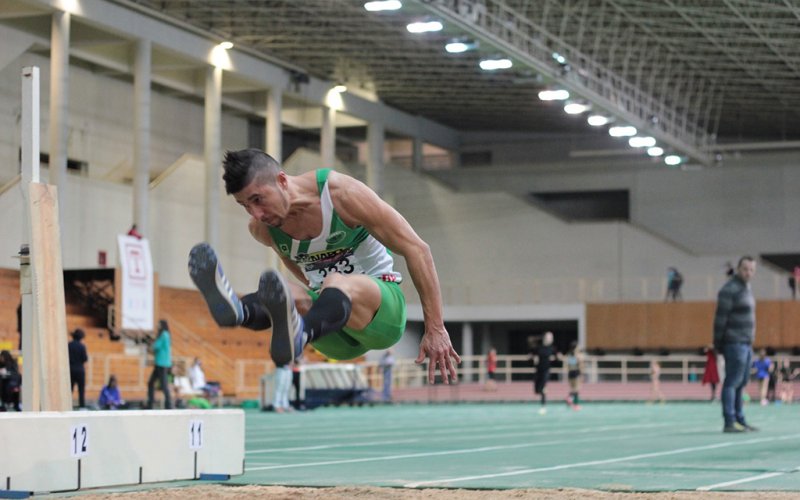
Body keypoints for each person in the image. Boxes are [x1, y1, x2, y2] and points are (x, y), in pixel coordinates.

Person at [187, 149, 459, 384]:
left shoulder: (341, 195)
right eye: (244, 205)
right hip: (331, 329)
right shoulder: (263, 229)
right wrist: (319, 300)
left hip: (382, 315)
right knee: (288, 293)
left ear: (282, 180)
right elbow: (301, 271)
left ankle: (300, 330)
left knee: (335, 282)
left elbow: (418, 249)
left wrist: (435, 327)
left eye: (258, 199)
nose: (255, 214)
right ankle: (239, 311)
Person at [714, 255, 758, 433]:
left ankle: (740, 419)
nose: (748, 273)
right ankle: (729, 421)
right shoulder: (729, 290)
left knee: (742, 382)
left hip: (746, 343)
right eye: (745, 269)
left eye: (751, 270)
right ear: (738, 269)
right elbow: (720, 319)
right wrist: (718, 343)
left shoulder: (746, 288)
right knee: (732, 382)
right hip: (733, 342)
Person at [146, 319, 172, 409]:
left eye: (159, 325)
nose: (157, 326)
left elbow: (156, 346)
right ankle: (151, 402)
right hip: (160, 363)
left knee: (163, 385)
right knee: (151, 383)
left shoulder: (164, 334)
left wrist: (150, 342)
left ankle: (169, 405)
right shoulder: (165, 335)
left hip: (162, 364)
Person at [530, 332, 557, 415]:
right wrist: (533, 358)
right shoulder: (538, 347)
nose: (551, 339)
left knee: (544, 387)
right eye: (549, 337)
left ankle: (543, 406)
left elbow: (557, 357)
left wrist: (555, 358)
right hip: (538, 370)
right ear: (545, 337)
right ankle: (542, 399)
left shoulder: (552, 348)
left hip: (546, 370)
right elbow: (531, 354)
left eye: (551, 337)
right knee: (537, 390)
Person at [68, 328, 89, 409]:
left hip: (70, 369)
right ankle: (82, 406)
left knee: (70, 389)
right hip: (80, 370)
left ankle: (68, 405)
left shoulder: (69, 345)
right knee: (81, 389)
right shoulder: (82, 346)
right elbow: (84, 359)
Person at [565, 341, 583, 410]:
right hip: (576, 372)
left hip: (570, 373)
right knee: (577, 390)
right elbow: (580, 365)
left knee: (573, 389)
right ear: (575, 347)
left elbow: (568, 365)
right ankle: (576, 405)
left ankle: (569, 398)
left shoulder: (569, 355)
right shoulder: (577, 355)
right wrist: (581, 374)